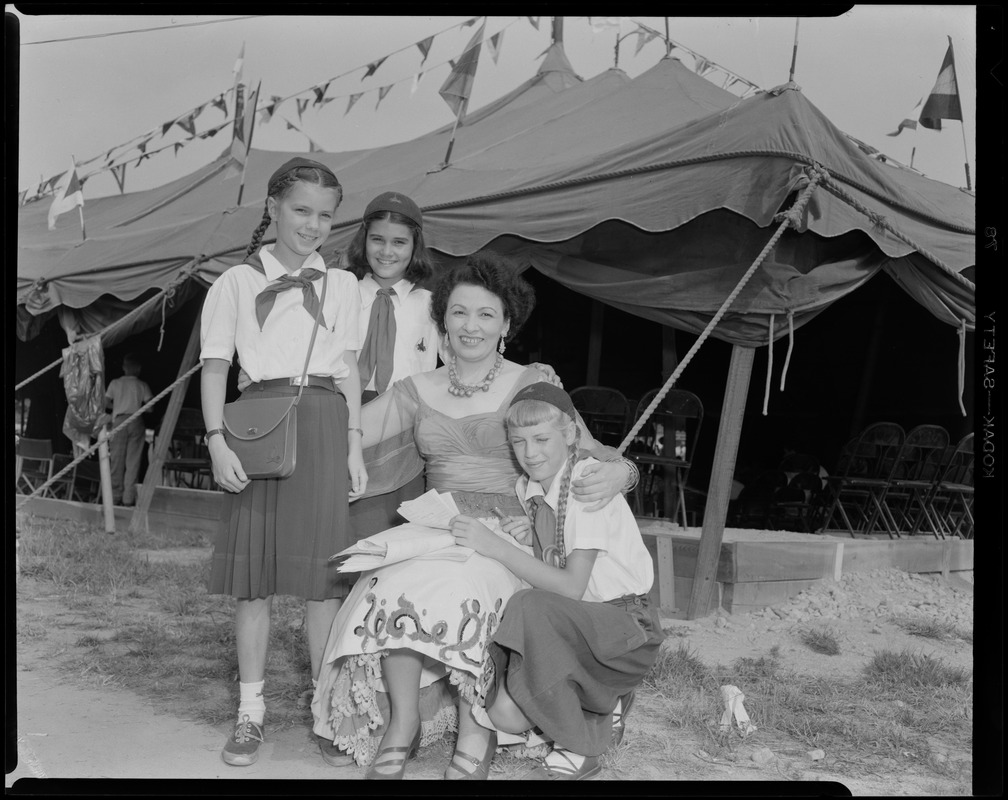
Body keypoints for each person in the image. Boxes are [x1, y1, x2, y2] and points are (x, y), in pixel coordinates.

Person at [311, 253, 638, 779]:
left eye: (486, 315)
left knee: (473, 595)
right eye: (459, 313)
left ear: (507, 324)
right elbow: (346, 431)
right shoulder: (417, 391)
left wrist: (626, 473)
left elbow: (591, 450)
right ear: (443, 320)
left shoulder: (532, 384)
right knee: (390, 586)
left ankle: (475, 730)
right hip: (436, 527)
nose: (471, 326)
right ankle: (403, 724)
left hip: (512, 532)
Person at [199, 157, 367, 767]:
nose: (313, 225)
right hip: (261, 428)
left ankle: (326, 711)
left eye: (326, 215)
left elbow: (348, 370)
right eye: (302, 210)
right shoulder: (236, 284)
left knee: (324, 586)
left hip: (324, 425)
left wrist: (352, 444)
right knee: (256, 585)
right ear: (273, 208)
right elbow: (216, 367)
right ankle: (250, 714)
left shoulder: (344, 286)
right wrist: (217, 440)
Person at [454, 382, 664, 780]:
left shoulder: (585, 482)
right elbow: (557, 560)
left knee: (527, 605)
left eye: (542, 439)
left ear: (569, 434)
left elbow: (570, 587)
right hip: (582, 627)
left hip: (624, 630)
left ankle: (580, 746)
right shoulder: (531, 487)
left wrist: (495, 548)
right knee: (505, 715)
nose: (530, 453)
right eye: (519, 442)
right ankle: (602, 700)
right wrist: (531, 539)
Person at [103, 352, 152, 506]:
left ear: (124, 367)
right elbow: (151, 408)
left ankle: (115, 497)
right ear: (138, 369)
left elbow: (105, 403)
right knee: (133, 462)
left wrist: (117, 405)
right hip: (136, 420)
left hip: (119, 421)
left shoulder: (115, 383)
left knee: (116, 460)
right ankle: (128, 498)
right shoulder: (142, 384)